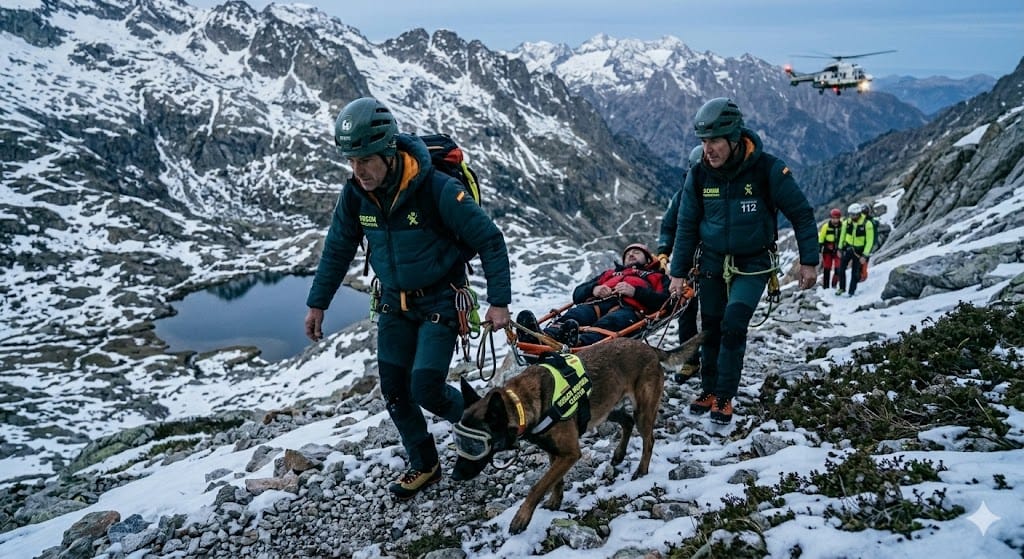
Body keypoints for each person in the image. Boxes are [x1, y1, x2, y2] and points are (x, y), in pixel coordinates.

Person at [304, 97, 512, 500]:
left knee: (426, 387)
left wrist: (499, 302)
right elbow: (337, 249)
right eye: (351, 160)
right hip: (393, 304)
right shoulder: (356, 195)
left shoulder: (436, 188)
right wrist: (318, 304)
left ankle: (490, 430)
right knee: (395, 390)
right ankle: (424, 464)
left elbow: (489, 238)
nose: (357, 170)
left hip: (440, 301)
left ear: (387, 151)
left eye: (365, 159)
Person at [667, 98, 818, 424]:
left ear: (734, 138)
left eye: (715, 141)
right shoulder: (699, 176)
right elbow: (686, 225)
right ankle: (708, 388)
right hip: (710, 261)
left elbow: (802, 214)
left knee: (733, 323)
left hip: (753, 263)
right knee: (710, 326)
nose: (708, 149)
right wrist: (677, 273)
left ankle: (724, 395)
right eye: (703, 142)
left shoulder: (768, 170)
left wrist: (809, 261)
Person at [517, 243, 670, 348]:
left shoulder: (655, 277)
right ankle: (543, 337)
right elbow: (577, 294)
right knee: (576, 314)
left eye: (637, 252)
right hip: (596, 304)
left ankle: (578, 344)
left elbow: (666, 303)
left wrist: (635, 292)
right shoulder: (609, 274)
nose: (631, 254)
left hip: (629, 310)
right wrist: (594, 289)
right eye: (628, 253)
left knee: (611, 322)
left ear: (648, 259)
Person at [657, 145, 704, 379]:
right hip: (689, 263)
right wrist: (663, 251)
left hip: (712, 261)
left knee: (713, 313)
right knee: (686, 312)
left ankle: (712, 361)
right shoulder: (682, 197)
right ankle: (691, 360)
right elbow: (669, 225)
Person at [835, 202, 875, 296]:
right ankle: (842, 288)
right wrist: (840, 249)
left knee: (855, 271)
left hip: (859, 251)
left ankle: (851, 291)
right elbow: (842, 236)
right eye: (850, 214)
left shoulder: (867, 224)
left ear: (858, 214)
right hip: (848, 249)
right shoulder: (847, 223)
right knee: (841, 269)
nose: (851, 216)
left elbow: (870, 241)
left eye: (853, 215)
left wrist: (865, 255)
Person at [818, 208, 843, 289]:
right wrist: (819, 248)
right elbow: (821, 239)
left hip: (838, 250)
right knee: (827, 269)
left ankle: (834, 284)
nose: (835, 220)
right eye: (833, 218)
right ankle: (826, 286)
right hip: (827, 251)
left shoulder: (842, 226)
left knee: (838, 268)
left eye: (837, 218)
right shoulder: (826, 227)